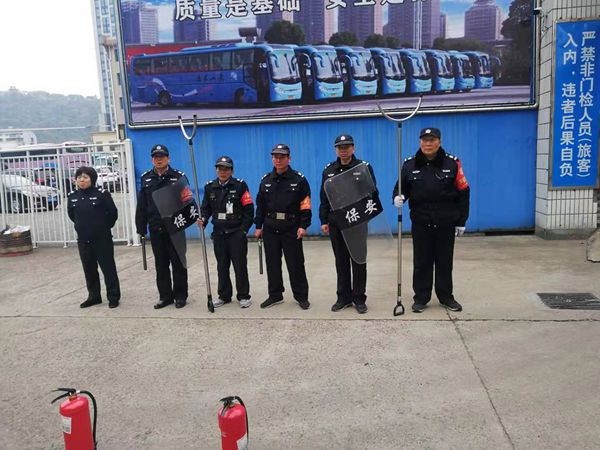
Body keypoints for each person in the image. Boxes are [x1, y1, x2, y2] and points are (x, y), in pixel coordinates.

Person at [394, 127, 470, 313]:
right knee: (422, 262)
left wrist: (461, 221)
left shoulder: (452, 163)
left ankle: (446, 297)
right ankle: (421, 297)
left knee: (444, 262)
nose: (428, 143)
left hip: (445, 221)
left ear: (439, 142)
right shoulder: (409, 165)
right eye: (425, 140)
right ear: (420, 142)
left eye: (432, 140)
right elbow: (400, 188)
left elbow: (463, 192)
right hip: (421, 222)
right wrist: (398, 197)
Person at [319, 134, 378, 314]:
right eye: (340, 147)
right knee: (341, 260)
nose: (343, 150)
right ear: (336, 150)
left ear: (353, 148)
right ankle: (343, 298)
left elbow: (372, 193)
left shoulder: (363, 167)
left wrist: (366, 215)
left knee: (358, 260)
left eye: (346, 146)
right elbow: (324, 198)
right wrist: (323, 220)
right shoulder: (329, 170)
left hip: (356, 221)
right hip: (336, 222)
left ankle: (359, 298)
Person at [254, 144, 311, 310]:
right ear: (272, 159)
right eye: (275, 157)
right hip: (270, 228)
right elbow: (260, 206)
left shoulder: (299, 180)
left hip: (291, 228)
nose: (278, 160)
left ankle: (301, 296)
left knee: (295, 263)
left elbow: (305, 205)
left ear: (289, 158)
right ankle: (275, 295)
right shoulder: (266, 180)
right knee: (272, 263)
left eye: (282, 157)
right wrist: (258, 226)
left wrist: (303, 225)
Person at [135, 144, 188, 309]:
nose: (159, 160)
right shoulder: (146, 178)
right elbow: (142, 205)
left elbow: (187, 201)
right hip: (156, 228)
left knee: (178, 264)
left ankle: (180, 296)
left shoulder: (178, 177)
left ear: (168, 158)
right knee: (161, 264)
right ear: (152, 159)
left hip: (175, 229)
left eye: (162, 157)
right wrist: (140, 227)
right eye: (156, 157)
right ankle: (165, 297)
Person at [200, 156, 254, 308]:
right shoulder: (210, 187)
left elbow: (249, 210)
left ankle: (243, 296)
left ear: (232, 171)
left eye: (226, 169)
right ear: (216, 170)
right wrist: (203, 219)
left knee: (240, 265)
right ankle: (224, 296)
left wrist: (244, 230)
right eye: (220, 169)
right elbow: (206, 208)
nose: (222, 172)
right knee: (222, 266)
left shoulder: (240, 186)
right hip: (219, 233)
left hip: (236, 232)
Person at [67, 166, 121, 308]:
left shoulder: (102, 195)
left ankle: (113, 296)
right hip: (84, 239)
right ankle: (94, 296)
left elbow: (113, 214)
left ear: (92, 179)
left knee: (108, 268)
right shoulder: (72, 196)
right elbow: (72, 215)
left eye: (85, 177)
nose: (82, 180)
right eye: (79, 177)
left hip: (101, 238)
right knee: (89, 269)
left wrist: (103, 227)